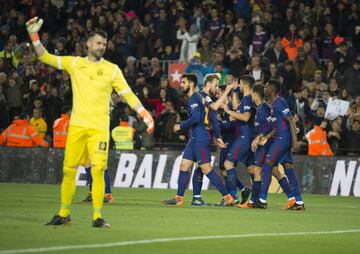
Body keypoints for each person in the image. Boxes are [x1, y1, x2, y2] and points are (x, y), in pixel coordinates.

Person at [26, 17, 154, 228]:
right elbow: (45, 57)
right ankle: (64, 213)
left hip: (98, 129)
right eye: (98, 43)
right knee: (69, 170)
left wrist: (144, 113)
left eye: (104, 44)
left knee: (97, 169)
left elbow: (127, 94)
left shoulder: (112, 69)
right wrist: (33, 35)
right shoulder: (75, 63)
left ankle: (97, 216)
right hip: (77, 126)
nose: (101, 46)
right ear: (88, 44)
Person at [162, 73, 234, 206]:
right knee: (184, 166)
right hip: (195, 136)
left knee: (206, 168)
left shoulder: (195, 98)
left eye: (183, 82)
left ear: (191, 83)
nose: (181, 84)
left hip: (200, 136)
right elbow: (213, 117)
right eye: (216, 85)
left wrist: (180, 126)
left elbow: (196, 118)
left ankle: (227, 196)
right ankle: (179, 198)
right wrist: (217, 137)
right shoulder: (203, 97)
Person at [239, 84, 295, 209]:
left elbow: (271, 126)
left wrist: (261, 137)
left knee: (258, 170)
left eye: (252, 93)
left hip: (266, 145)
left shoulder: (264, 108)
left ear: (256, 95)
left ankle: (255, 201)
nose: (251, 96)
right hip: (264, 144)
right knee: (275, 172)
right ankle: (291, 197)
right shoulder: (259, 108)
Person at [254, 79, 304, 210]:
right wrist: (265, 136)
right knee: (288, 168)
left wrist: (295, 141)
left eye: (266, 87)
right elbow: (277, 127)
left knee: (267, 164)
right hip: (281, 138)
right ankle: (298, 202)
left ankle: (262, 199)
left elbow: (291, 121)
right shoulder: (273, 105)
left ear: (272, 89)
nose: (264, 89)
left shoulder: (280, 102)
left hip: (282, 140)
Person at [222, 75, 256, 205]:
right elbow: (236, 106)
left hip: (244, 136)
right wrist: (235, 91)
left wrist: (227, 111)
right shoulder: (246, 99)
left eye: (240, 84)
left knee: (228, 164)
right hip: (248, 136)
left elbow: (245, 117)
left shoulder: (248, 100)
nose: (240, 85)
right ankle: (256, 197)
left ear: (246, 85)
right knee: (252, 169)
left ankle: (232, 197)